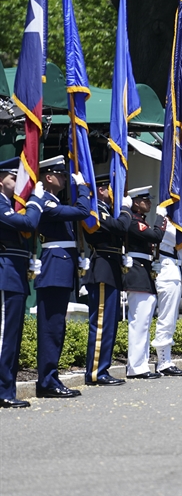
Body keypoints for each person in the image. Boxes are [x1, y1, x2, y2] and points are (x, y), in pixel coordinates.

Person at [34, 156, 92, 399]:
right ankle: (47, 381)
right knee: (51, 328)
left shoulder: (53, 201)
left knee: (57, 328)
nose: (65, 178)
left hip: (61, 267)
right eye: (61, 174)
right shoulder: (45, 202)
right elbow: (82, 211)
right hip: (54, 269)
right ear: (49, 177)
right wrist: (82, 188)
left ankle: (51, 378)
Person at [0, 159, 45, 408]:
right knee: (5, 337)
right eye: (13, 176)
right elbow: (27, 223)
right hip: (6, 275)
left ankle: (7, 389)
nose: (18, 181)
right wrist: (36, 201)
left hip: (15, 274)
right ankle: (2, 390)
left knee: (13, 337)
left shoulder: (11, 205)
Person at [82, 173, 131, 386]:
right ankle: (95, 372)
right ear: (101, 190)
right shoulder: (95, 211)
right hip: (101, 266)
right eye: (110, 188)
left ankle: (103, 368)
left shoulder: (107, 211)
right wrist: (127, 210)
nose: (114, 193)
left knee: (110, 323)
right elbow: (120, 227)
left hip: (110, 267)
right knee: (101, 322)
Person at [123, 186, 167, 379]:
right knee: (139, 322)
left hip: (144, 271)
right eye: (144, 200)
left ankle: (141, 364)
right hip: (137, 272)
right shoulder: (133, 221)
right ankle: (136, 367)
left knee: (144, 322)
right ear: (135, 203)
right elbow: (156, 236)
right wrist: (160, 219)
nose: (148, 203)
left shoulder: (140, 220)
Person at [150, 214, 182, 377]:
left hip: (175, 268)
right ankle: (163, 361)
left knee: (171, 319)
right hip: (167, 269)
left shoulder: (174, 220)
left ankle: (166, 359)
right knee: (166, 319)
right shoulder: (165, 220)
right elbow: (180, 241)